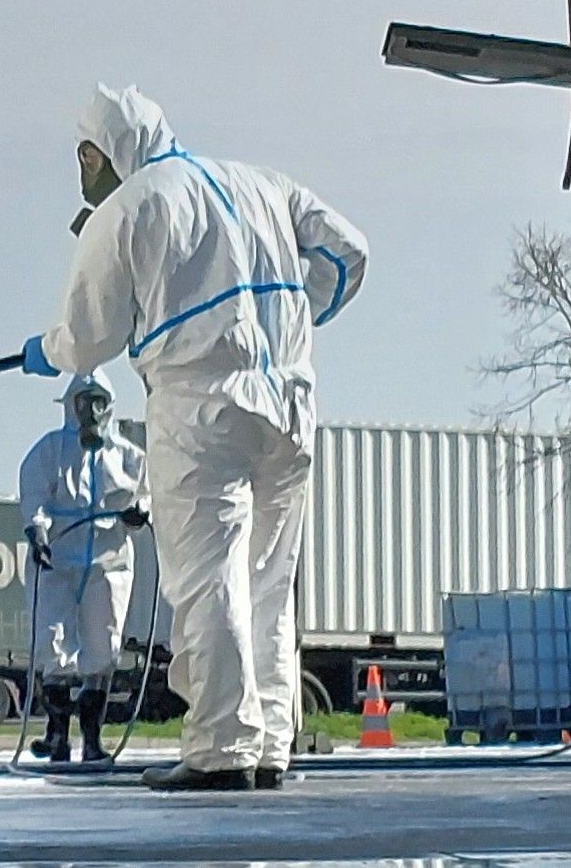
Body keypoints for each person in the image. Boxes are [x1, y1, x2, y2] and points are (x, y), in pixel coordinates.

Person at [20, 85, 367, 792]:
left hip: (199, 406)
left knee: (208, 576)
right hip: (289, 402)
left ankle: (219, 746)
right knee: (268, 578)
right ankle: (270, 739)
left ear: (98, 151)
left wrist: (46, 350)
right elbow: (348, 250)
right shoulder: (260, 182)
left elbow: (90, 336)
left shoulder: (128, 207)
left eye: (81, 159)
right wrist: (301, 315)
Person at [16, 372, 146, 765]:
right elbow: (34, 495)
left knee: (103, 646)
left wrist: (140, 513)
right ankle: (57, 736)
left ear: (109, 405)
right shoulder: (50, 452)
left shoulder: (128, 456)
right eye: (83, 401)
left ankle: (92, 740)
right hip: (57, 560)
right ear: (71, 405)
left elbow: (149, 492)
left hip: (108, 562)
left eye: (98, 402)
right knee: (52, 643)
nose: (91, 410)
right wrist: (36, 531)